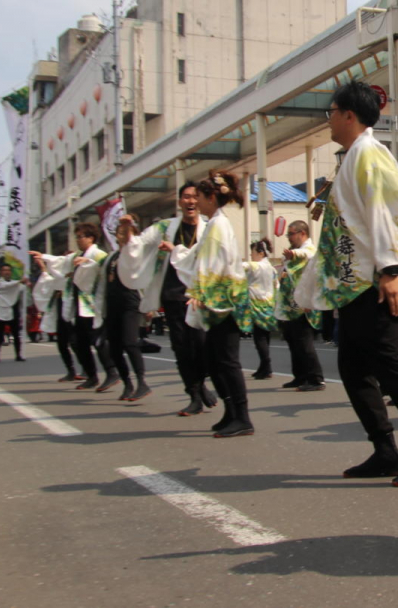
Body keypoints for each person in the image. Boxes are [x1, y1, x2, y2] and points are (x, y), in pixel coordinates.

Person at [296, 82, 398, 487]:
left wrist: (390, 272)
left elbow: (388, 211)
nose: (328, 119)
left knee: (392, 363)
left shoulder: (369, 154)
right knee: (353, 367)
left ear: (349, 114)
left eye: (331, 111)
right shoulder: (353, 157)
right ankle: (385, 449)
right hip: (354, 285)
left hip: (372, 283)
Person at [117, 184, 215, 417]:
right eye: (185, 197)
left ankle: (201, 382)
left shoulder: (211, 228)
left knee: (202, 347)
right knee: (181, 348)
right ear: (180, 202)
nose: (190, 201)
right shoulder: (164, 227)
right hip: (173, 296)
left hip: (200, 296)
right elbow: (136, 245)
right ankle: (193, 394)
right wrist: (127, 230)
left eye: (194, 197)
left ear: (200, 201)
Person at [169, 171, 254, 438]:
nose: (196, 201)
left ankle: (242, 417)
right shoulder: (215, 223)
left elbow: (212, 265)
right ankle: (231, 413)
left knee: (227, 361)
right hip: (219, 300)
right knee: (217, 360)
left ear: (211, 197)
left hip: (223, 302)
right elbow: (198, 257)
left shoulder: (217, 226)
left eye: (199, 196)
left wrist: (200, 292)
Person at [31, 224, 119, 391]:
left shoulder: (99, 254)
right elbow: (61, 262)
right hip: (79, 304)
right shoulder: (76, 255)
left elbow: (107, 269)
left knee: (99, 341)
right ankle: (91, 375)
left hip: (94, 304)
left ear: (91, 238)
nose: (78, 240)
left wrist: (88, 263)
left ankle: (112, 372)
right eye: (77, 236)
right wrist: (44, 257)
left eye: (81, 237)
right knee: (79, 342)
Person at [103, 217, 152, 401]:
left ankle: (142, 382)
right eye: (119, 232)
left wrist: (149, 304)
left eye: (126, 232)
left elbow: (146, 278)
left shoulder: (137, 254)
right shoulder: (112, 257)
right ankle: (127, 383)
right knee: (114, 347)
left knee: (130, 342)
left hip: (131, 302)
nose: (122, 235)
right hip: (112, 304)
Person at [274, 221, 325, 391]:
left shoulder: (309, 250)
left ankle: (316, 378)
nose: (289, 237)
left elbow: (306, 254)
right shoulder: (292, 254)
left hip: (304, 303)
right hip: (290, 304)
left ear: (302, 233)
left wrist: (294, 254)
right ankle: (300, 376)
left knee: (304, 341)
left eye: (291, 234)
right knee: (292, 340)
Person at [244, 239, 278, 381]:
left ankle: (266, 366)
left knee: (259, 338)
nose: (251, 255)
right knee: (265, 337)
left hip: (257, 305)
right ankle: (263, 367)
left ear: (260, 253)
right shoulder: (272, 269)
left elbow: (239, 266)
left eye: (252, 252)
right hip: (270, 304)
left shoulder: (255, 266)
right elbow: (277, 286)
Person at [0, 264, 30, 363]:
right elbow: (5, 286)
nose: (7, 272)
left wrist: (27, 284)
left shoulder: (15, 283)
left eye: (8, 270)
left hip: (12, 310)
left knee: (16, 335)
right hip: (0, 310)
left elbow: (22, 289)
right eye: (4, 270)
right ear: (1, 272)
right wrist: (20, 281)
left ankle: (18, 355)